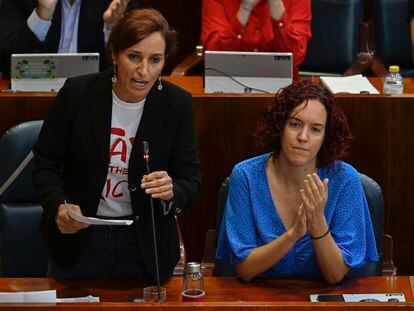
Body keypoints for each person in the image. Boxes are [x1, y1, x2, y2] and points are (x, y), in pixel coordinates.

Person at [32, 8, 201, 282]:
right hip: (80, 239)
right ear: (114, 54)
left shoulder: (177, 104)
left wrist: (172, 189)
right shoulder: (78, 94)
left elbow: (191, 181)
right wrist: (59, 205)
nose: (143, 71)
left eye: (155, 60)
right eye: (134, 57)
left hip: (145, 243)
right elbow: (44, 164)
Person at [216, 80, 378, 284]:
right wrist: (294, 234)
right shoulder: (246, 176)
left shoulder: (345, 180)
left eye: (315, 129)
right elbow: (246, 270)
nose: (303, 137)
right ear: (280, 126)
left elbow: (335, 275)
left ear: (325, 136)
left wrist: (317, 221)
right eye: (295, 124)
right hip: (260, 299)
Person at [0, 0, 139, 77]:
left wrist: (112, 28)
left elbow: (128, 69)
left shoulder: (116, 3)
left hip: (95, 100)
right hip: (32, 97)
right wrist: (42, 15)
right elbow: (7, 65)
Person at [201, 0, 311, 77]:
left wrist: (276, 3)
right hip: (228, 83)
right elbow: (214, 58)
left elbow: (296, 57)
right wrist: (245, 7)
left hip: (282, 86)